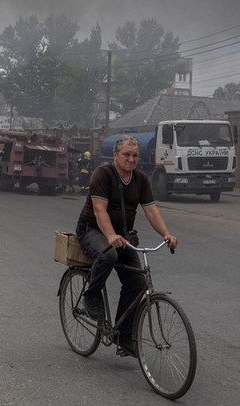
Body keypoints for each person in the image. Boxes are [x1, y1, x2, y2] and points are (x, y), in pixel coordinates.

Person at [75, 135, 179, 358]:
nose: (131, 160)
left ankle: (123, 335)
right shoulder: (102, 174)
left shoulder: (140, 179)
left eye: (135, 156)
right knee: (109, 255)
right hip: (91, 229)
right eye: (126, 155)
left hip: (122, 236)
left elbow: (151, 211)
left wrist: (166, 233)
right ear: (115, 156)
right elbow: (99, 210)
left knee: (138, 282)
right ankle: (91, 296)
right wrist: (111, 235)